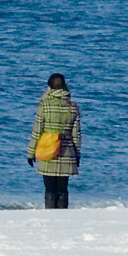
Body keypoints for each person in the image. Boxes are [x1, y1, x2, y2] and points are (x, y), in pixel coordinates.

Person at [26, 73, 81, 209]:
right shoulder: (72, 107)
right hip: (67, 152)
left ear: (49, 86)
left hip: (47, 150)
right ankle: (62, 216)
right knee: (63, 189)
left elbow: (37, 132)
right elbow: (76, 135)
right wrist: (77, 155)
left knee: (49, 188)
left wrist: (31, 153)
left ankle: (50, 214)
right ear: (64, 86)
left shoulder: (44, 106)